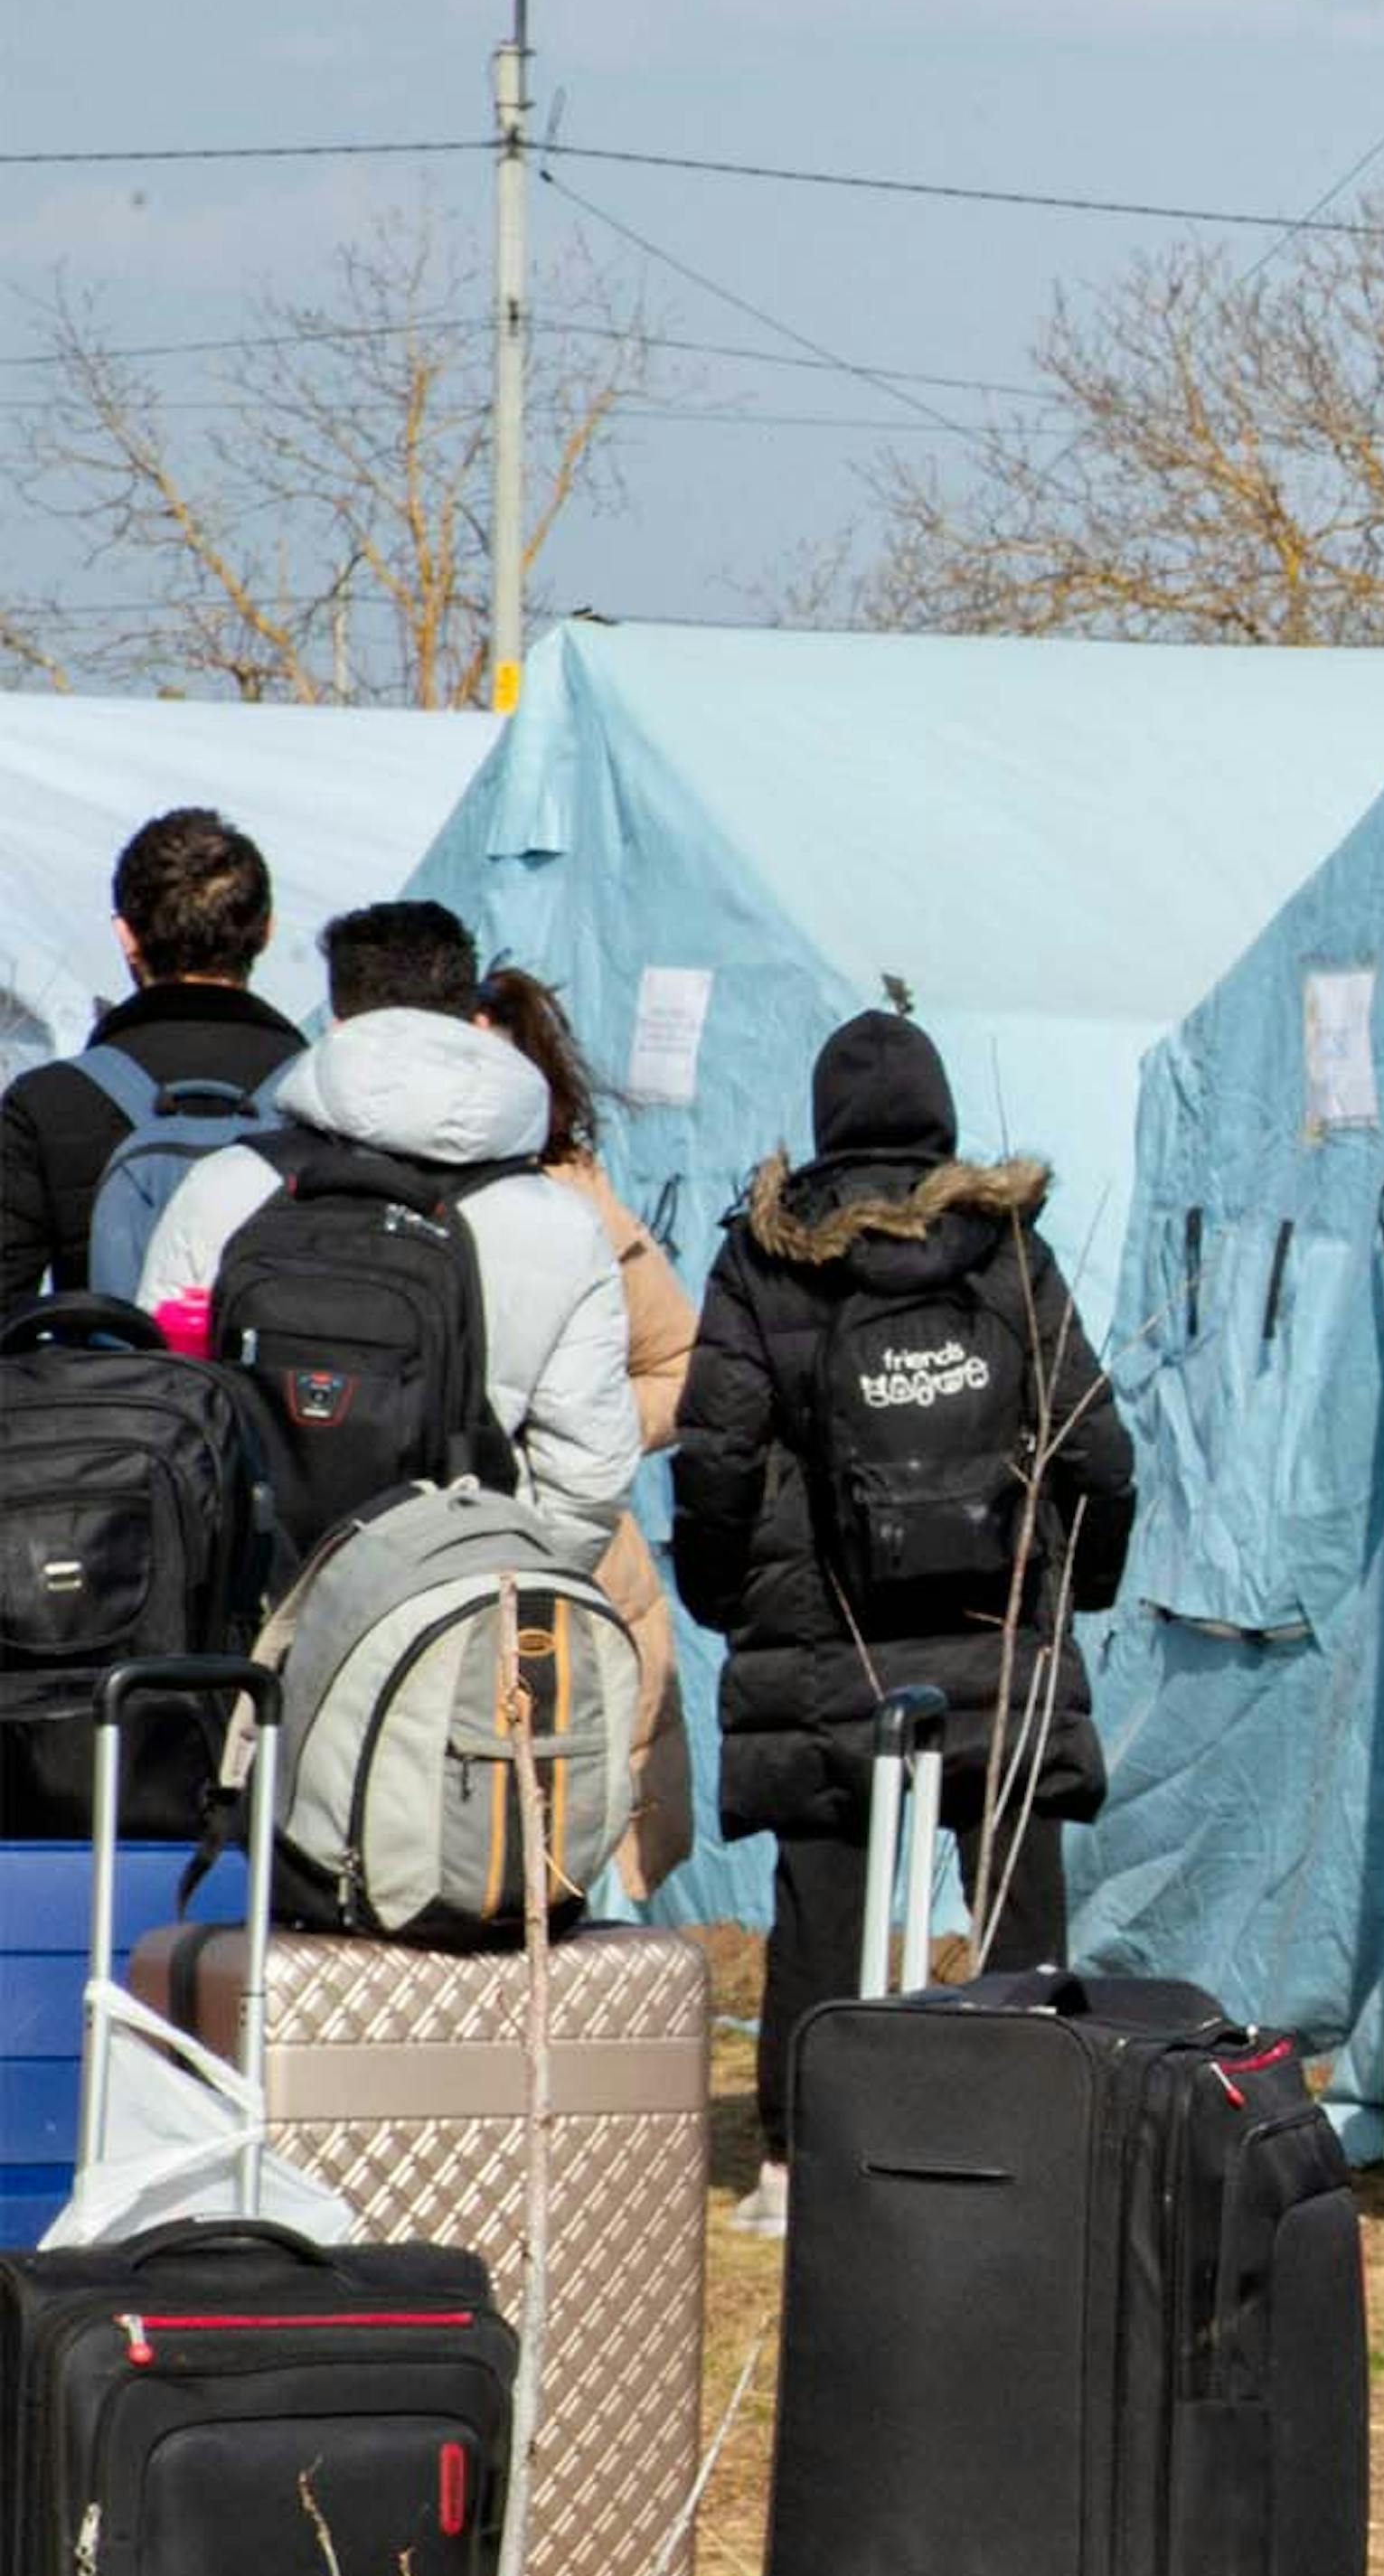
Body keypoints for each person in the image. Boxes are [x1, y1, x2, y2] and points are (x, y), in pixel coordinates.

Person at [668, 1011, 1133, 2196]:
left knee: (824, 1892)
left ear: (823, 1126)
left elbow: (715, 1456)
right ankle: (1037, 2144)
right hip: (1000, 1625)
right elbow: (1099, 1452)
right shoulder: (1008, 1250)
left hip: (824, 1636)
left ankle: (795, 2161)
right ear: (942, 1118)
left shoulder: (767, 1255)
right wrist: (1072, 1595)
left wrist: (727, 1598)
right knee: (1016, 1889)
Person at [136, 898, 646, 1547]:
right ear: (471, 1017)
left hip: (248, 1609)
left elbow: (160, 1411)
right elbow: (588, 1478)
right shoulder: (558, 1223)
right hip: (453, 1608)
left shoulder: (228, 1187)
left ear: (340, 1015)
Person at [474, 967, 707, 1894]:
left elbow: (680, 1365)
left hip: (576, 1569)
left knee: (581, 1856)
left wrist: (589, 1433)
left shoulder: (580, 1204)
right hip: (431, 1564)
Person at [0, 808, 308, 1302]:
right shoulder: (319, 1097)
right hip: (282, 1379)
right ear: (266, 931)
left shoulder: (47, 1102)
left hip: (106, 1376)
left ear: (126, 935)